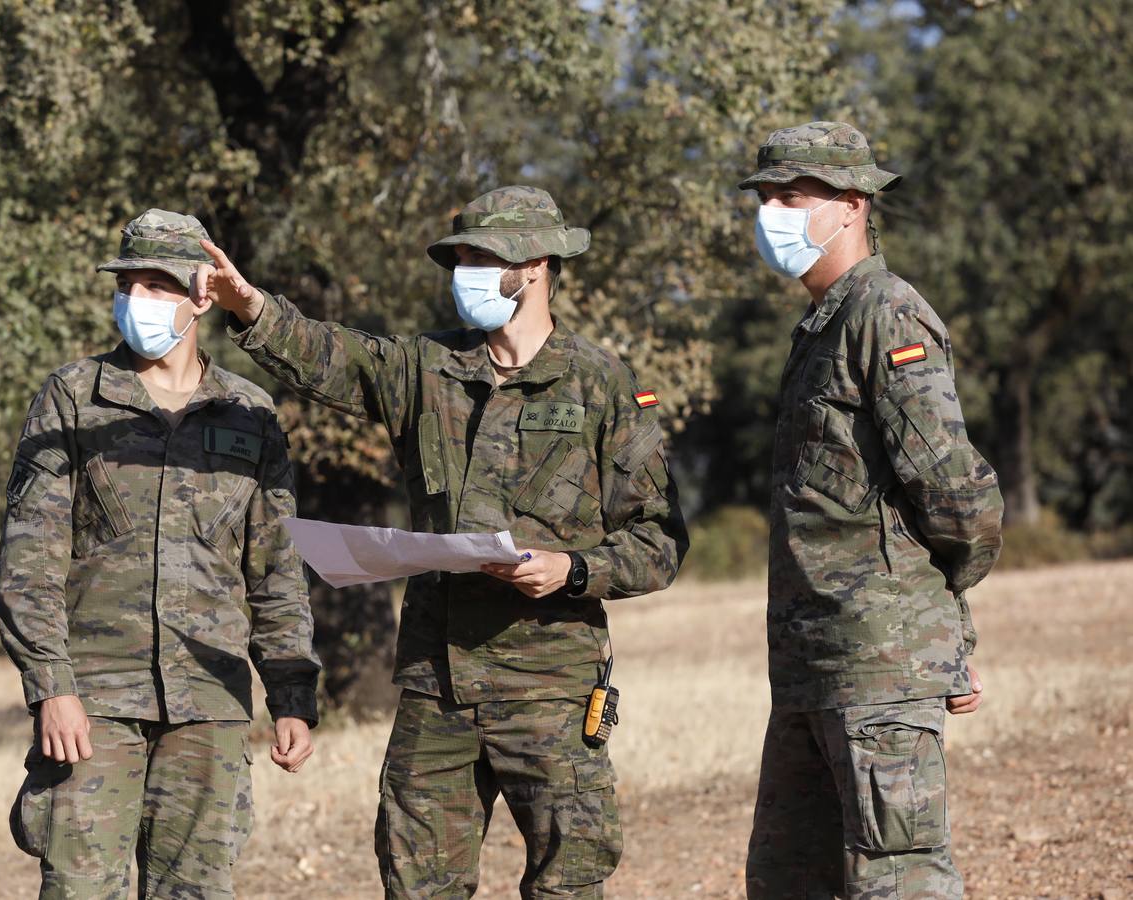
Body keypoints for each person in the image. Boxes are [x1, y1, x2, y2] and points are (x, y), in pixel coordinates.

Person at [195, 185, 688, 898]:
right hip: (437, 686)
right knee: (417, 884)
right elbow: (333, 357)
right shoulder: (426, 367)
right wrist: (250, 307)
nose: (466, 274)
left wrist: (574, 570)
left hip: (549, 687)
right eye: (459, 259)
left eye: (484, 258)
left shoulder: (600, 384)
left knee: (569, 883)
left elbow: (661, 539)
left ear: (539, 266)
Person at [0, 209, 321, 900]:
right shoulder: (74, 397)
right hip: (95, 700)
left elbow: (277, 570)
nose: (136, 301)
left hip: (212, 703)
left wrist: (292, 696)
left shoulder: (251, 413)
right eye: (129, 284)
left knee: (195, 891)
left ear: (202, 297)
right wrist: (52, 685)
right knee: (81, 888)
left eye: (157, 286)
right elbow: (29, 562)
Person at [738, 122, 1004, 898]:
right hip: (810, 668)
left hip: (879, 672)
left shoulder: (886, 314)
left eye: (791, 196)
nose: (771, 214)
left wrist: (936, 626)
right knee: (790, 880)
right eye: (764, 198)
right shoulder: (822, 325)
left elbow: (957, 495)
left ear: (851, 205)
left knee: (897, 882)